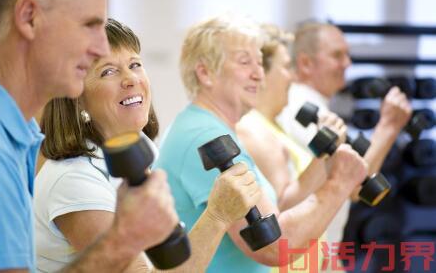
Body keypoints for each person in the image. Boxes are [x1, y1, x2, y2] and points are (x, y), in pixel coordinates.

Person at [0, 0, 176, 272]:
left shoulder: (7, 128)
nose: (99, 48)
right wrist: (123, 239)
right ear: (29, 18)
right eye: (89, 25)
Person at [35, 18, 262, 272]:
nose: (131, 79)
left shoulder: (142, 149)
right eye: (108, 71)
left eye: (135, 65)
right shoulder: (73, 179)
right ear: (76, 99)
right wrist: (217, 216)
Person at [154, 14, 368, 273]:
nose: (258, 74)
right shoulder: (205, 137)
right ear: (205, 73)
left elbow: (277, 213)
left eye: (259, 63)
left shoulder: (211, 129)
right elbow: (273, 245)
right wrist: (339, 184)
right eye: (245, 62)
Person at [277, 22, 413, 248]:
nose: (347, 63)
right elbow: (354, 184)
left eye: (347, 55)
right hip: (305, 253)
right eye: (337, 55)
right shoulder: (302, 107)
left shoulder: (314, 107)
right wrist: (388, 127)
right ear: (305, 63)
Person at [236, 24, 352, 273]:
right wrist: (327, 151)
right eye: (286, 66)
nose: (292, 76)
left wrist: (328, 260)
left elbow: (308, 203)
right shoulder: (254, 129)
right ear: (263, 74)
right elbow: (283, 212)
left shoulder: (276, 127)